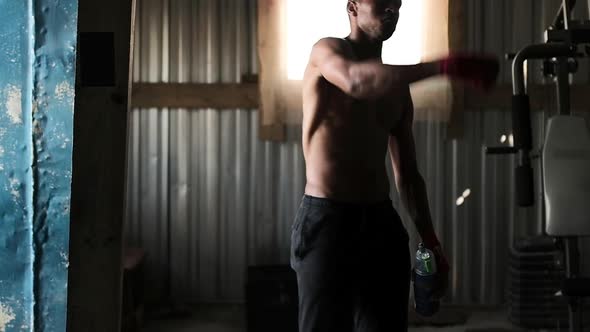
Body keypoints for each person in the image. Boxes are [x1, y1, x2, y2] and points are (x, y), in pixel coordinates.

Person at [289, 0, 499, 331]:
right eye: (381, 2)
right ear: (353, 7)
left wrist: (430, 239)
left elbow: (408, 174)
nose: (392, 10)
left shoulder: (397, 89)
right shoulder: (326, 52)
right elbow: (356, 82)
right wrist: (445, 66)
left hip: (380, 222)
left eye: (397, 4)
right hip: (327, 222)